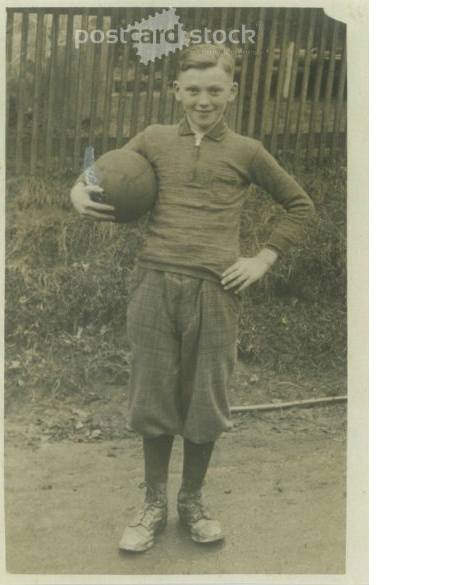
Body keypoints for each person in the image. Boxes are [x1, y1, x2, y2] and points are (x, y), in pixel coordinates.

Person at [70, 43, 315, 552]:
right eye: (193, 90)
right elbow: (98, 170)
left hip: (216, 290)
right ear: (175, 90)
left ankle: (193, 501)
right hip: (154, 285)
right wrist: (78, 190)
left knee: (206, 399)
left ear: (232, 91)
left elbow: (300, 206)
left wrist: (262, 259)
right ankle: (154, 503)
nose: (203, 101)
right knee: (153, 396)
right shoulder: (154, 139)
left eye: (215, 91)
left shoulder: (247, 150)